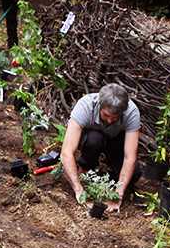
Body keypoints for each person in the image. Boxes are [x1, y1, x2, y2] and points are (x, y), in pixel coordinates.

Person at [60, 84, 143, 213]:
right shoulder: (85, 106)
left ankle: (111, 169)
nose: (110, 120)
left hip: (115, 140)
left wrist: (118, 194)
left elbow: (130, 157)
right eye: (106, 115)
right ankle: (86, 166)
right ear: (100, 105)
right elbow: (66, 152)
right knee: (94, 140)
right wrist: (78, 190)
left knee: (135, 174)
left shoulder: (131, 112)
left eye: (115, 118)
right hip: (93, 138)